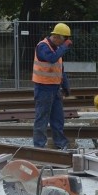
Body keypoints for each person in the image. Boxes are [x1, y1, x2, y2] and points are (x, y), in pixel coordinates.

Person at [33, 22, 73, 150]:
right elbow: (51, 59)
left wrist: (65, 86)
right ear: (56, 36)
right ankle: (39, 146)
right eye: (64, 39)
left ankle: (61, 144)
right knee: (42, 117)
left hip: (55, 87)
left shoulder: (56, 48)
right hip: (43, 87)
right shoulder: (43, 46)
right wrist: (64, 48)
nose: (64, 42)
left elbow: (60, 69)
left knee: (58, 118)